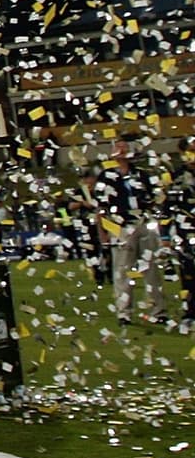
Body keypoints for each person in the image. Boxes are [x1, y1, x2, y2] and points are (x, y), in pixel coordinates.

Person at [85, 136, 166, 325]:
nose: (121, 150)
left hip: (143, 222)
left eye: (124, 147)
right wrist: (102, 232)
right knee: (122, 269)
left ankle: (158, 310)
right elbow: (101, 207)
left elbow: (155, 200)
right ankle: (124, 312)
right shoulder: (107, 176)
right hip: (120, 226)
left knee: (151, 268)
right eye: (118, 147)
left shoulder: (142, 175)